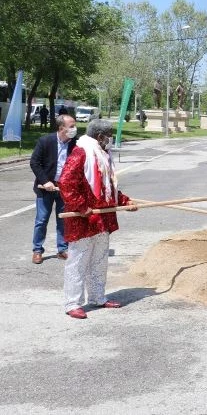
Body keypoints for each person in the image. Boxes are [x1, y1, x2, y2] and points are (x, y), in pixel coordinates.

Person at [59, 119, 137, 319]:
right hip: (83, 219)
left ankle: (97, 297)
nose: (110, 139)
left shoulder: (103, 154)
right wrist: (81, 206)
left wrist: (125, 201)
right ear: (100, 136)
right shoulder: (81, 152)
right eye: (109, 135)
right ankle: (72, 303)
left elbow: (107, 186)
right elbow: (66, 182)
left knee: (99, 260)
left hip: (102, 218)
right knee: (78, 261)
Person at [29, 114, 78, 264]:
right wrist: (45, 181)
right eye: (71, 126)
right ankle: (37, 250)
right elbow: (35, 162)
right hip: (45, 188)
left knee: (63, 220)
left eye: (74, 126)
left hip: (64, 189)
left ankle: (62, 249)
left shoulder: (75, 144)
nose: (74, 129)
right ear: (61, 128)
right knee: (41, 220)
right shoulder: (45, 141)